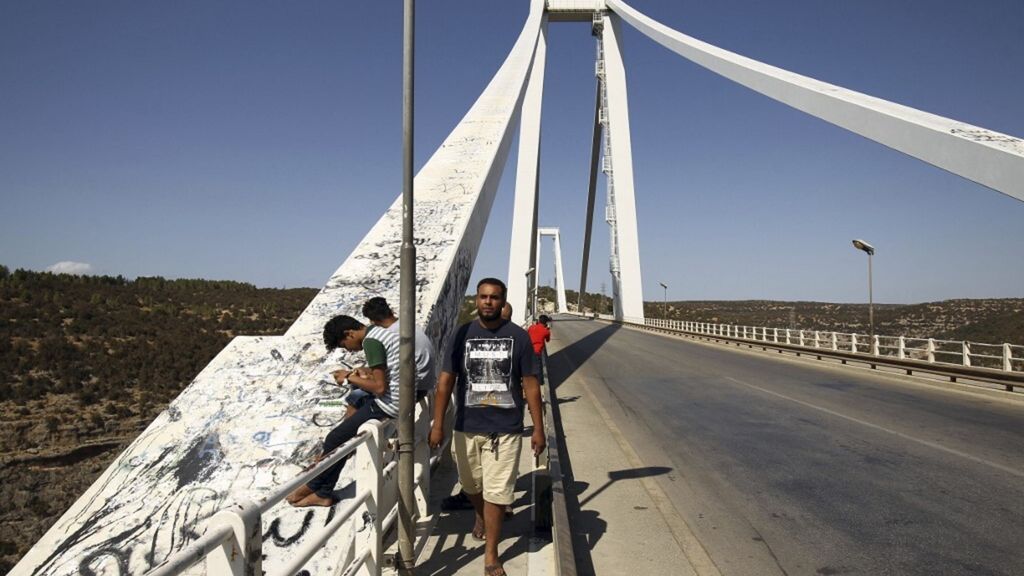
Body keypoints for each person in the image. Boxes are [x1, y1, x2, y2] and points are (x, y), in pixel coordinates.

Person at [430, 278, 545, 576]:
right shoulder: (461, 334)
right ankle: (480, 516)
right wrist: (438, 425)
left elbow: (531, 385)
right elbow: (445, 382)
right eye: (483, 297)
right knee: (471, 486)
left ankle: (491, 554)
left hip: (505, 429)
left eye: (494, 297)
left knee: (497, 493)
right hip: (466, 426)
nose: (488, 302)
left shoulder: (518, 337)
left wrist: (538, 428)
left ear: (503, 301)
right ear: (476, 300)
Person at [287, 315, 400, 507]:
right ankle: (320, 486)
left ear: (349, 334)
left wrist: (348, 378)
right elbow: (386, 373)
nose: (348, 350)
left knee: (335, 438)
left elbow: (380, 388)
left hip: (390, 403)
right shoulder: (380, 333)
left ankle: (318, 489)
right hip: (399, 395)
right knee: (353, 403)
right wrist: (363, 373)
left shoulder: (371, 342)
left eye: (344, 345)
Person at [361, 296, 436, 400]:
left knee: (359, 393)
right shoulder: (407, 325)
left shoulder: (391, 334)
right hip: (426, 383)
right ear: (390, 311)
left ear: (373, 321)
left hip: (415, 388)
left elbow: (383, 377)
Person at [527, 315, 551, 381]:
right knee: (538, 368)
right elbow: (548, 340)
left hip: (527, 350)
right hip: (537, 351)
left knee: (528, 367)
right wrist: (547, 330)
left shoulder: (531, 327)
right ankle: (540, 382)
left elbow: (527, 334)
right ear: (546, 323)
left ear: (539, 321)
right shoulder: (546, 331)